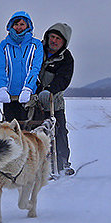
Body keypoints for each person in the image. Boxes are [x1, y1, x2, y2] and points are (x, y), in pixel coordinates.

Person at [35, 22, 75, 175]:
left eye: (58, 39)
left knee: (59, 132)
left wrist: (49, 91)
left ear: (64, 42)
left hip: (54, 102)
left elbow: (63, 79)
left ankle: (62, 163)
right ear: (47, 37)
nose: (54, 41)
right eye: (52, 37)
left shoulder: (66, 58)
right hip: (33, 100)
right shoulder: (37, 50)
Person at [0, 11, 42, 122]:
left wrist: (28, 89)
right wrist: (3, 88)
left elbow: (34, 68)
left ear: (28, 25)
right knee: (11, 131)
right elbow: (2, 68)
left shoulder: (36, 44)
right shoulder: (5, 45)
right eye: (16, 24)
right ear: (11, 25)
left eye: (22, 24)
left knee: (28, 130)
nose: (19, 27)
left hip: (30, 96)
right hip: (10, 96)